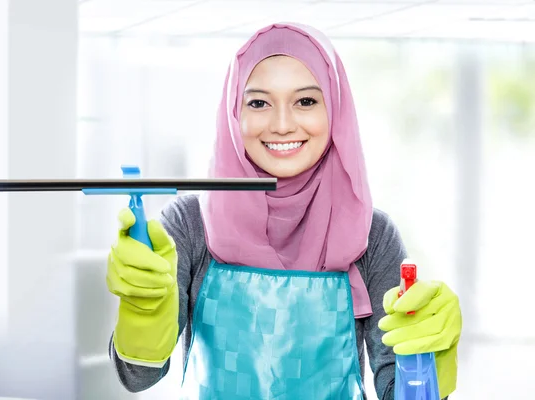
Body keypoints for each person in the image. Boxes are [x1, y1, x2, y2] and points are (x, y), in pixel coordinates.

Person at [105, 22, 462, 400]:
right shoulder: (191, 223)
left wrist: (428, 360)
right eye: (258, 102)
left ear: (335, 111)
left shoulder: (370, 234)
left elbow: (398, 391)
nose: (281, 124)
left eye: (306, 101)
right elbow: (137, 379)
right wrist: (144, 311)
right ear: (233, 113)